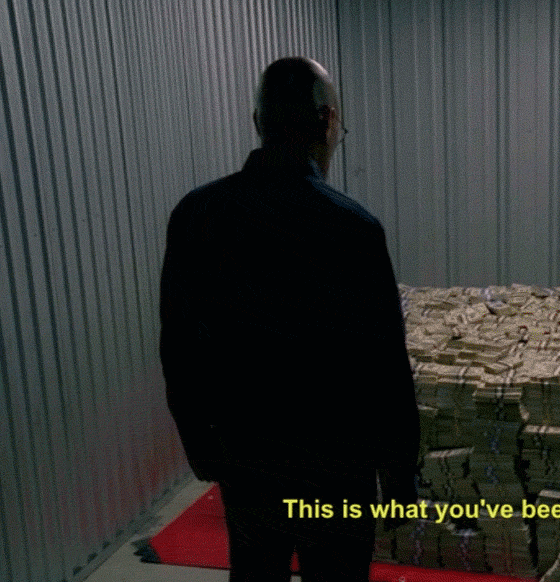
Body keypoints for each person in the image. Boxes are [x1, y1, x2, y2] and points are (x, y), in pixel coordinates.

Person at [159, 57, 419, 581]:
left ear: (258, 122)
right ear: (327, 123)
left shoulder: (198, 214)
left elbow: (180, 345)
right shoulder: (353, 229)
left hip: (246, 458)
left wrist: (199, 444)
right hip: (337, 467)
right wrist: (398, 478)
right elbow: (384, 367)